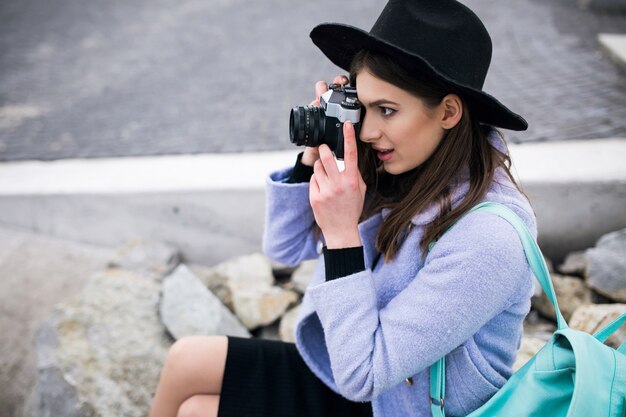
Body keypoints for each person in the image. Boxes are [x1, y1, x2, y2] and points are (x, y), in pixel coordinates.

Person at [149, 0, 537, 416]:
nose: (368, 131)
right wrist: (315, 157)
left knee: (198, 413)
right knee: (186, 359)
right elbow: (283, 247)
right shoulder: (407, 169)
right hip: (360, 371)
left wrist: (341, 236)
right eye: (362, 107)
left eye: (387, 110)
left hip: (396, 400)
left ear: (448, 111)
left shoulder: (489, 238)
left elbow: (363, 375)